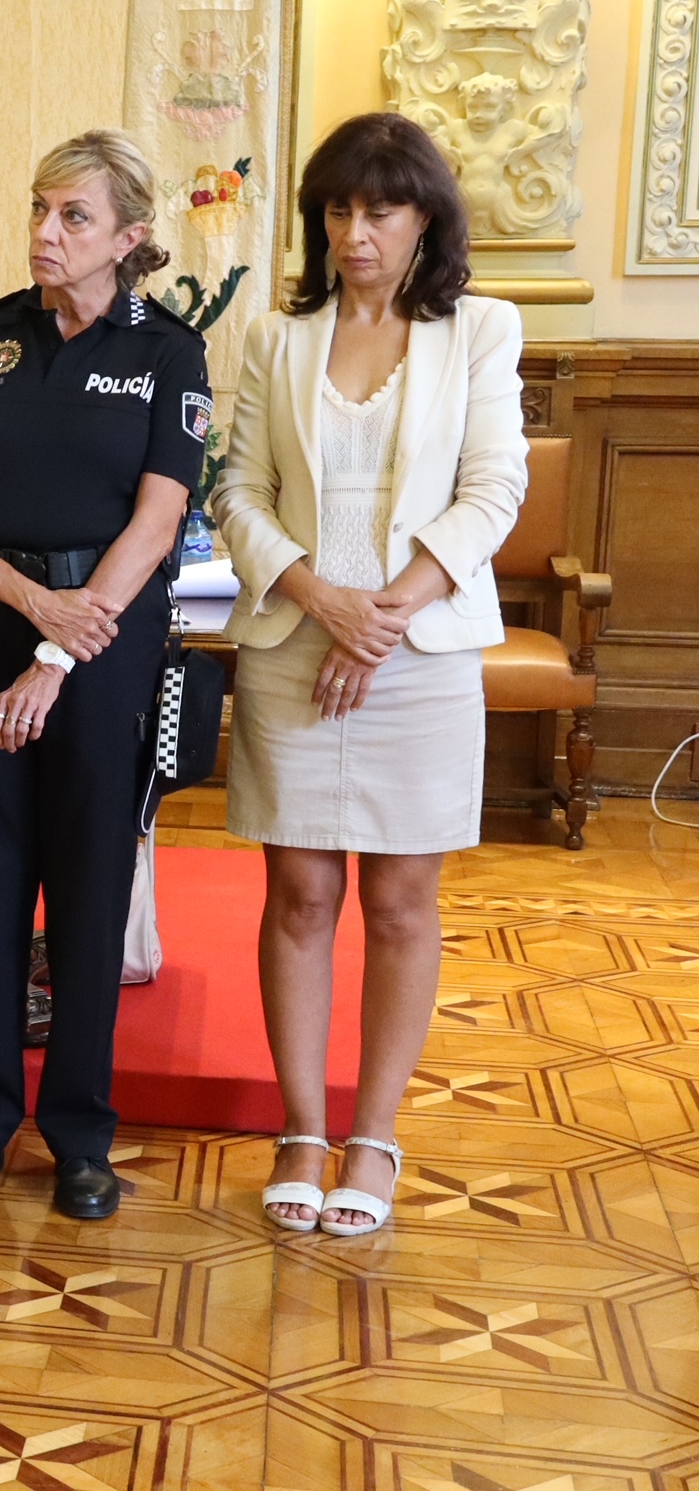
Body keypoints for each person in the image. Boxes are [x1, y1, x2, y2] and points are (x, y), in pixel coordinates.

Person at [212, 113, 523, 1240]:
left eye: (380, 211)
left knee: (398, 902)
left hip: (419, 649)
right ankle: (303, 1128)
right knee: (299, 896)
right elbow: (237, 492)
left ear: (424, 218)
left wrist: (384, 612)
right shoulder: (277, 337)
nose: (356, 232)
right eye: (338, 209)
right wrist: (320, 597)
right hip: (297, 643)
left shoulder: (479, 328)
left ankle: (374, 1134)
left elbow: (493, 487)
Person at [0, 128, 212, 1221]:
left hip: (105, 643)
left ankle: (80, 1134)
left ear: (128, 237)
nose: (46, 231)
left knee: (88, 890)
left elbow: (157, 521)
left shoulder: (167, 352)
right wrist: (33, 609)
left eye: (73, 215)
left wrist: (62, 644)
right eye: (40, 208)